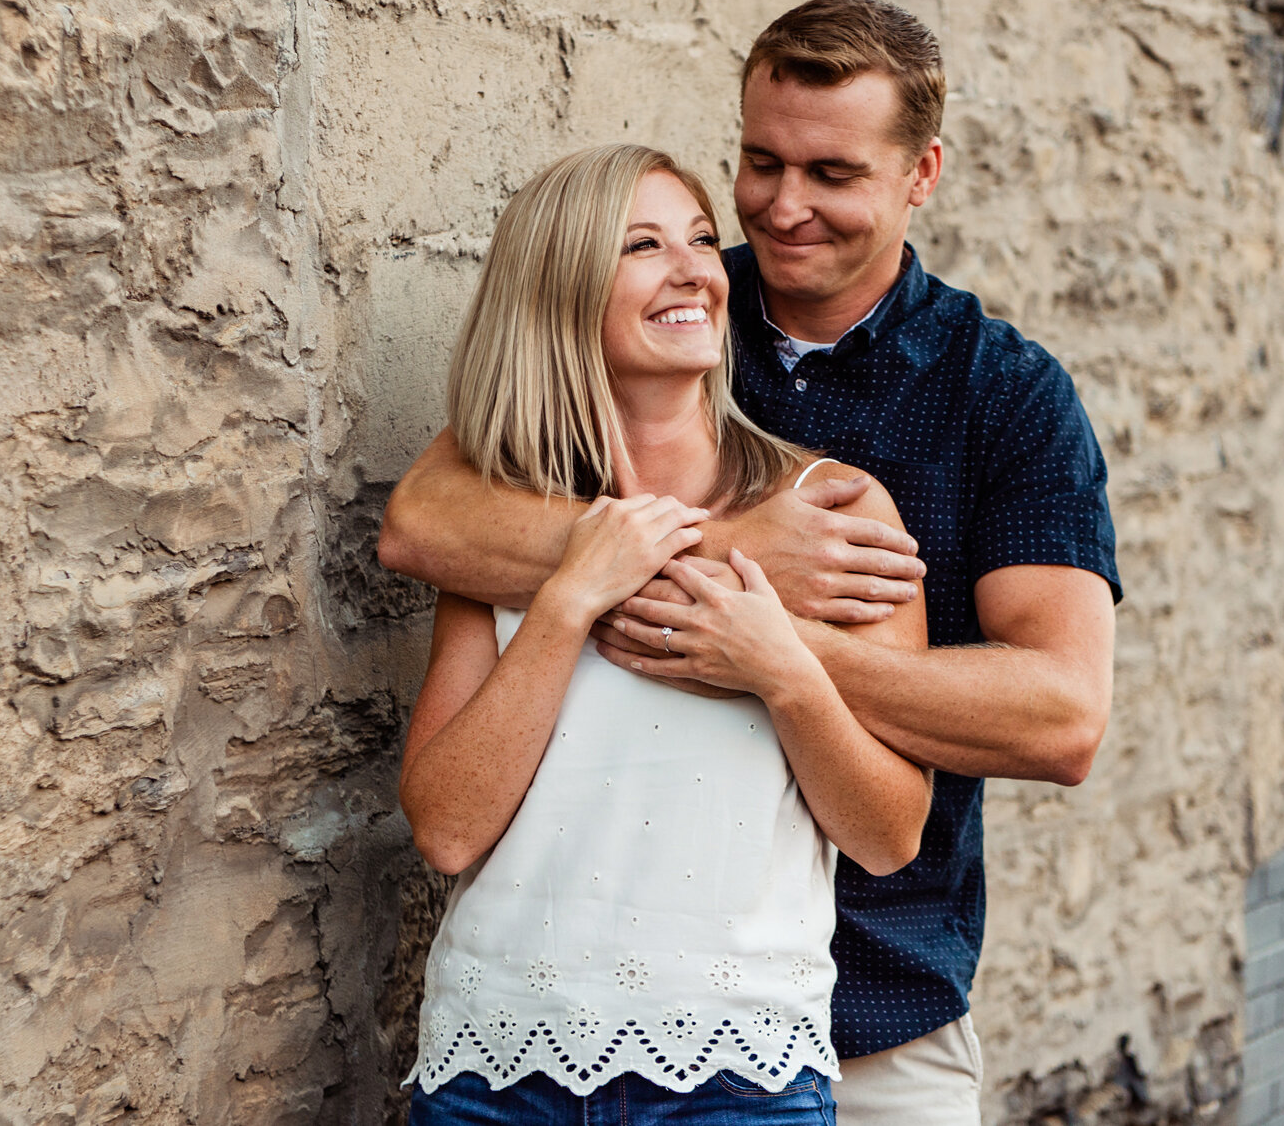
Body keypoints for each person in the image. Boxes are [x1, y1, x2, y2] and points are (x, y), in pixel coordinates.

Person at [381, 0, 1121, 1126]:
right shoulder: (661, 313)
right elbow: (425, 521)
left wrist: (762, 646)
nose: (782, 207)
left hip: (872, 1005)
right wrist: (726, 548)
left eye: (831, 173)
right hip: (548, 1028)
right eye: (759, 162)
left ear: (920, 173)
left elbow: (1059, 717)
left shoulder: (1001, 395)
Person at [399, 143, 934, 1123]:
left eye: (698, 237)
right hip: (497, 1073)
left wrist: (782, 670)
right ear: (560, 289)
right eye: (642, 244)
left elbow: (888, 834)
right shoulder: (499, 534)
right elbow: (444, 828)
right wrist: (567, 601)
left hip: (739, 1081)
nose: (695, 267)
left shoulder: (837, 516)